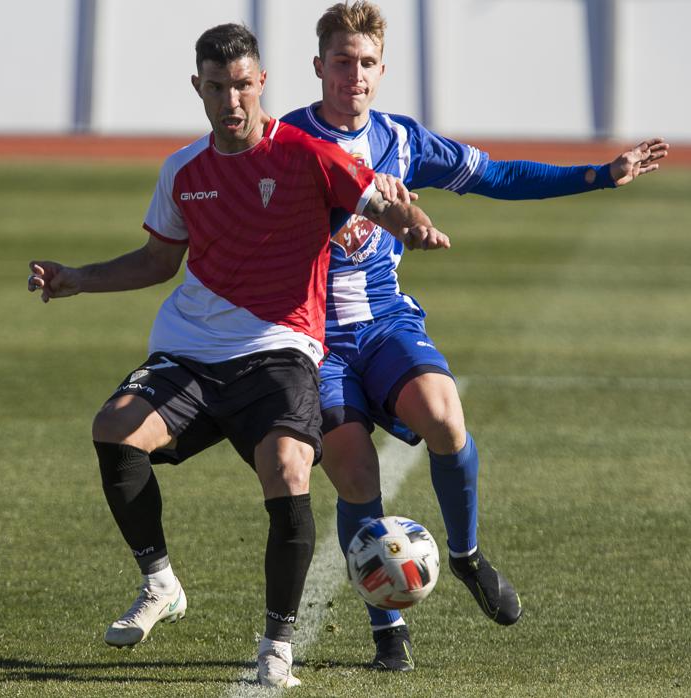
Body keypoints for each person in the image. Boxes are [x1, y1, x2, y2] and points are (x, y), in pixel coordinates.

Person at [28, 23, 445, 689]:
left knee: (287, 467)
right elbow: (159, 260)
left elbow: (379, 199)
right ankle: (160, 583)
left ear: (262, 84)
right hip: (191, 351)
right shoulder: (183, 169)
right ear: (199, 87)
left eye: (242, 85)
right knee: (114, 429)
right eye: (217, 87)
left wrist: (414, 225)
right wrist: (77, 277)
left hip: (279, 350)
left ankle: (276, 645)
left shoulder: (307, 155)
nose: (231, 100)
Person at [280, 0, 669, 671]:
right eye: (342, 61)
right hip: (316, 336)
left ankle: (464, 556)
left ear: (382, 69)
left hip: (385, 322)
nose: (355, 75)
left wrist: (601, 175)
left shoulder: (402, 140)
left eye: (367, 63)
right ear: (319, 67)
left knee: (444, 415)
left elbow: (498, 176)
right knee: (353, 468)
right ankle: (388, 629)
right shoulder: (284, 142)